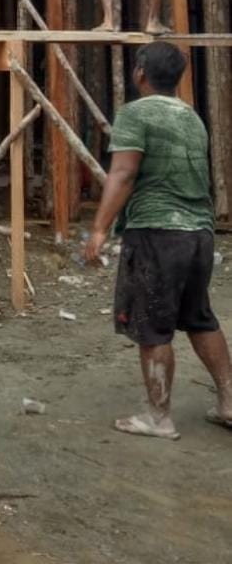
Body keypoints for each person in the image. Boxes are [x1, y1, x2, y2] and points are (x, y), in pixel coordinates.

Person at [84, 42, 232, 440]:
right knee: (200, 317)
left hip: (157, 233)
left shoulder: (135, 113)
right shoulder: (192, 116)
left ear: (139, 73)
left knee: (151, 326)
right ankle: (230, 402)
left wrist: (99, 227)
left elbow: (123, 173)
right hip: (199, 233)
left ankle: (158, 417)